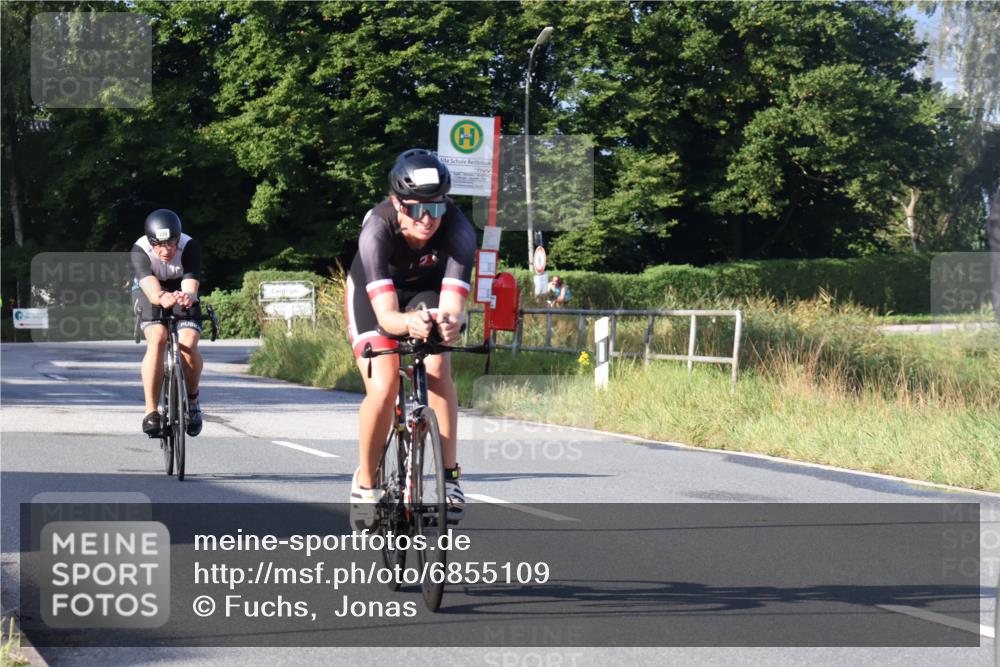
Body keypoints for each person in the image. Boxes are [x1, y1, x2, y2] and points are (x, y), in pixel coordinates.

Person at [346, 148, 476, 529]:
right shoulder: (377, 229)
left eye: (436, 209)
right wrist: (407, 324)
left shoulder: (459, 230)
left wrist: (450, 323)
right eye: (416, 208)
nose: (427, 219)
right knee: (384, 386)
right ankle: (366, 484)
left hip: (425, 294)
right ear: (396, 203)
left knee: (439, 363)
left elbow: (453, 303)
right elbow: (387, 316)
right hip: (375, 297)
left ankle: (449, 478)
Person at [130, 209, 205, 438]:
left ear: (178, 238)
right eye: (159, 245)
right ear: (151, 242)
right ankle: (151, 411)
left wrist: (187, 296)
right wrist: (162, 297)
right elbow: (152, 292)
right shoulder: (140, 249)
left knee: (189, 342)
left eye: (171, 244)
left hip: (181, 289)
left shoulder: (190, 246)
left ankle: (192, 402)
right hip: (150, 290)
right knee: (158, 338)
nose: (165, 250)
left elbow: (191, 285)